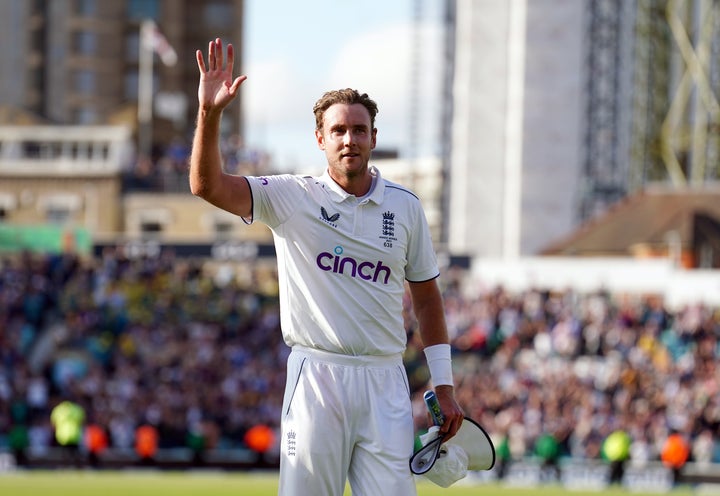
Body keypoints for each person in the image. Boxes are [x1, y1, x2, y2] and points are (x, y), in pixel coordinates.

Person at [189, 38, 464, 495]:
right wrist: (209, 113)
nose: (349, 140)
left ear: (374, 137)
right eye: (338, 131)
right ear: (320, 139)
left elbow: (427, 298)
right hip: (317, 376)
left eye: (359, 130)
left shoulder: (406, 207)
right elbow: (206, 185)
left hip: (385, 379)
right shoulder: (291, 196)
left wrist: (446, 383)